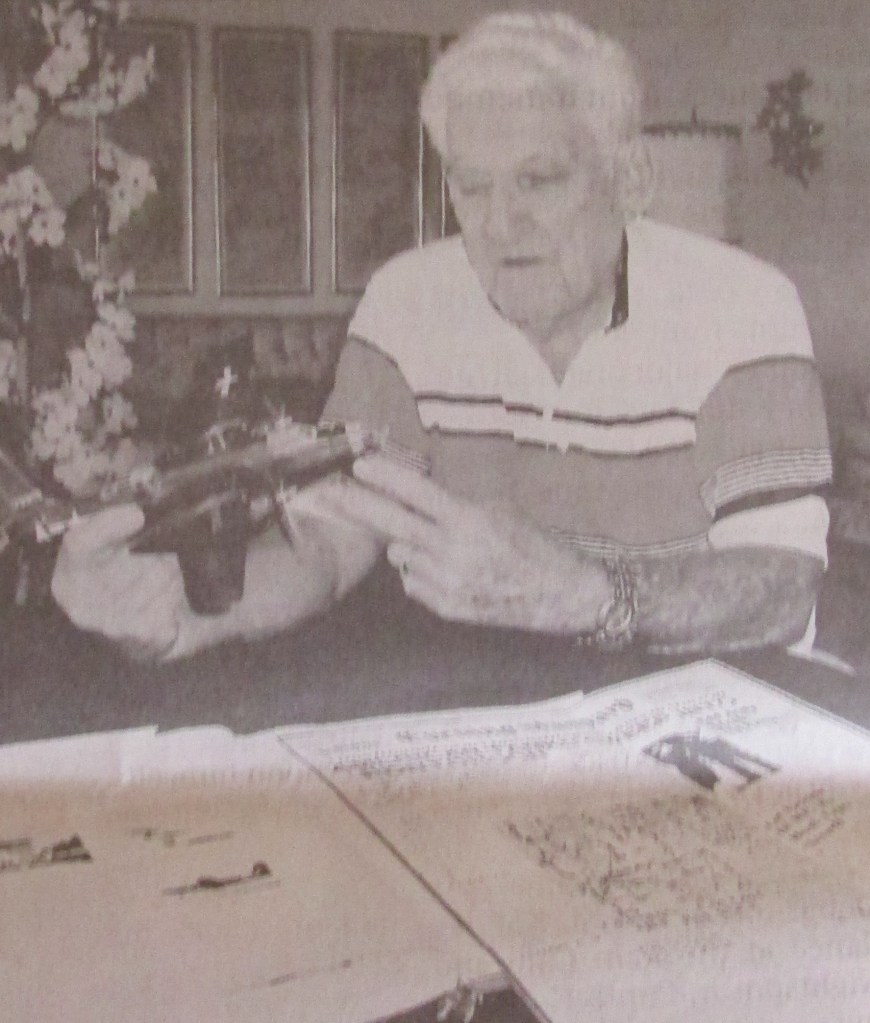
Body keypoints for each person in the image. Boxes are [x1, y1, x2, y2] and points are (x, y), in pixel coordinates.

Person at [51, 11, 832, 662]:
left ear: (631, 181)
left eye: (540, 179)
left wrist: (584, 596)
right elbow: (325, 544)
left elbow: (782, 587)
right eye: (472, 184)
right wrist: (186, 616)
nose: (499, 224)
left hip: (716, 697)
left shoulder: (743, 308)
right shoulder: (406, 302)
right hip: (492, 697)